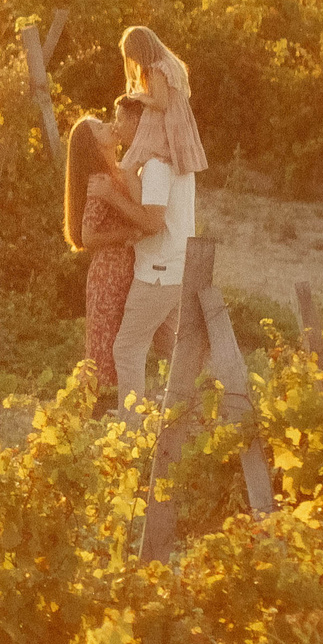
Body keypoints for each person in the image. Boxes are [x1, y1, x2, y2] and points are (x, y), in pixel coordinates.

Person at [112, 88, 200, 411]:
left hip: (158, 274)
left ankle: (129, 428)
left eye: (120, 118)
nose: (116, 126)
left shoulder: (157, 166)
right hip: (175, 268)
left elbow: (152, 222)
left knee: (127, 349)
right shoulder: (173, 161)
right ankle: (190, 416)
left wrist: (112, 195)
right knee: (172, 347)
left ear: (140, 121)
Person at [64, 98, 159, 393]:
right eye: (100, 129)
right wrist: (127, 233)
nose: (109, 126)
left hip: (125, 272)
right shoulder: (100, 180)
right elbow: (88, 237)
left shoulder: (119, 171)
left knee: (122, 346)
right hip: (108, 276)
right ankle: (94, 415)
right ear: (93, 147)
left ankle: (112, 414)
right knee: (104, 353)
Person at [119, 26, 208, 178]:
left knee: (132, 163)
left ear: (141, 50)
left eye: (133, 55)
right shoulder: (171, 64)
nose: (134, 60)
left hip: (164, 119)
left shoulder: (156, 69)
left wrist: (140, 97)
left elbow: (161, 103)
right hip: (177, 119)